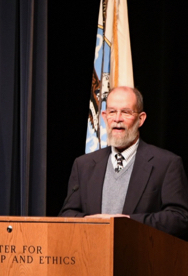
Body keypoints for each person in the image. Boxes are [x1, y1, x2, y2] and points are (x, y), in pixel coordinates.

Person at [59, 86, 188, 241]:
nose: (117, 119)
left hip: (142, 258)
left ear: (141, 119)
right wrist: (94, 222)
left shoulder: (166, 164)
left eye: (126, 112)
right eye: (112, 112)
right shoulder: (83, 165)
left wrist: (129, 222)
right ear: (105, 116)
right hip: (92, 257)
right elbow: (67, 214)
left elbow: (179, 218)